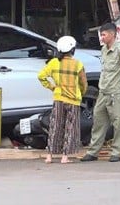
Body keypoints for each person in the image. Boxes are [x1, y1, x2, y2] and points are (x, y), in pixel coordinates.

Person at [81, 23, 120, 163]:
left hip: (116, 93)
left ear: (112, 34)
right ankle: (93, 152)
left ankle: (116, 152)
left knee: (117, 123)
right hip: (103, 92)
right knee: (98, 121)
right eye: (101, 35)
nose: (102, 38)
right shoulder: (103, 49)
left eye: (104, 35)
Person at [37, 36, 87, 164]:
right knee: (71, 128)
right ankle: (65, 157)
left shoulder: (53, 62)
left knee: (55, 126)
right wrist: (81, 93)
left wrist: (52, 87)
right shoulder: (78, 64)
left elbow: (41, 76)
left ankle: (49, 155)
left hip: (58, 98)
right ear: (72, 49)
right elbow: (83, 84)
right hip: (73, 100)